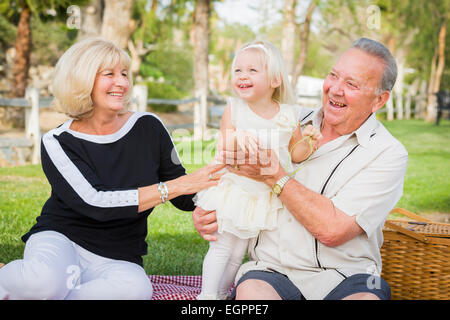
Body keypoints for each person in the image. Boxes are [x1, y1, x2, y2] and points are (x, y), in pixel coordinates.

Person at [0, 38, 224, 300]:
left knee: (136, 291)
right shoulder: (58, 141)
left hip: (119, 254)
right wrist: (179, 186)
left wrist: (212, 198)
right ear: (83, 80)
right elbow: (96, 202)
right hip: (62, 239)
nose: (122, 83)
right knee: (43, 284)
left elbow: (183, 192)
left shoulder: (149, 127)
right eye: (110, 74)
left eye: (124, 74)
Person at [193, 37, 408, 300]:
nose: (335, 89)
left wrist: (275, 176)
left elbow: (333, 230)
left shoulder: (388, 153)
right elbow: (232, 168)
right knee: (252, 297)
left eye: (351, 84)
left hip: (348, 276)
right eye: (333, 76)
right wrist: (211, 213)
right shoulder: (287, 118)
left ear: (379, 100)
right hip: (271, 271)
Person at [195, 40, 321, 300]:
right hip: (235, 191)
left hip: (262, 195)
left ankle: (220, 294)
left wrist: (309, 141)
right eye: (238, 70)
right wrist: (238, 137)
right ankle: (206, 296)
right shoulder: (235, 109)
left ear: (275, 80)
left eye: (252, 70)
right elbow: (223, 149)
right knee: (221, 247)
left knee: (238, 252)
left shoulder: (287, 114)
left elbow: (295, 153)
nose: (242, 76)